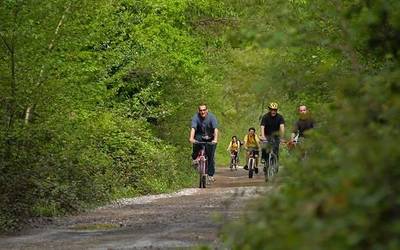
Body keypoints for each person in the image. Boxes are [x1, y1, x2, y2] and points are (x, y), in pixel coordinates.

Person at [189, 104, 218, 182]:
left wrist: (215, 139)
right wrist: (191, 138)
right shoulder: (196, 117)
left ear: (207, 110)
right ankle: (195, 159)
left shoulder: (212, 117)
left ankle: (210, 175)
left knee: (211, 156)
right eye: (201, 110)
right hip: (199, 136)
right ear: (198, 111)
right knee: (196, 143)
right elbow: (193, 128)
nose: (202, 112)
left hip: (210, 138)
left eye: (204, 110)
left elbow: (215, 129)